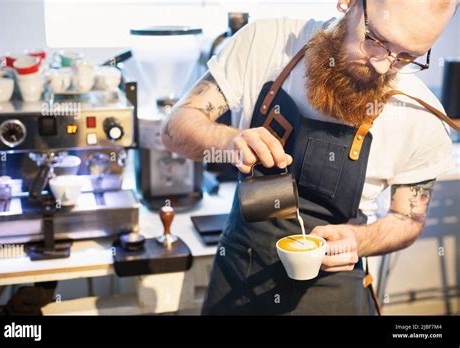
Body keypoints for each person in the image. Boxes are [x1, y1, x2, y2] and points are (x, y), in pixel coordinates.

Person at [161, 0, 459, 315]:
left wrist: (359, 239)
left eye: (408, 57)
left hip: (332, 294)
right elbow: (173, 130)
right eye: (377, 41)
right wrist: (228, 140)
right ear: (349, 4)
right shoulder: (267, 43)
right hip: (238, 277)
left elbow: (408, 219)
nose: (383, 66)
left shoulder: (422, 117)